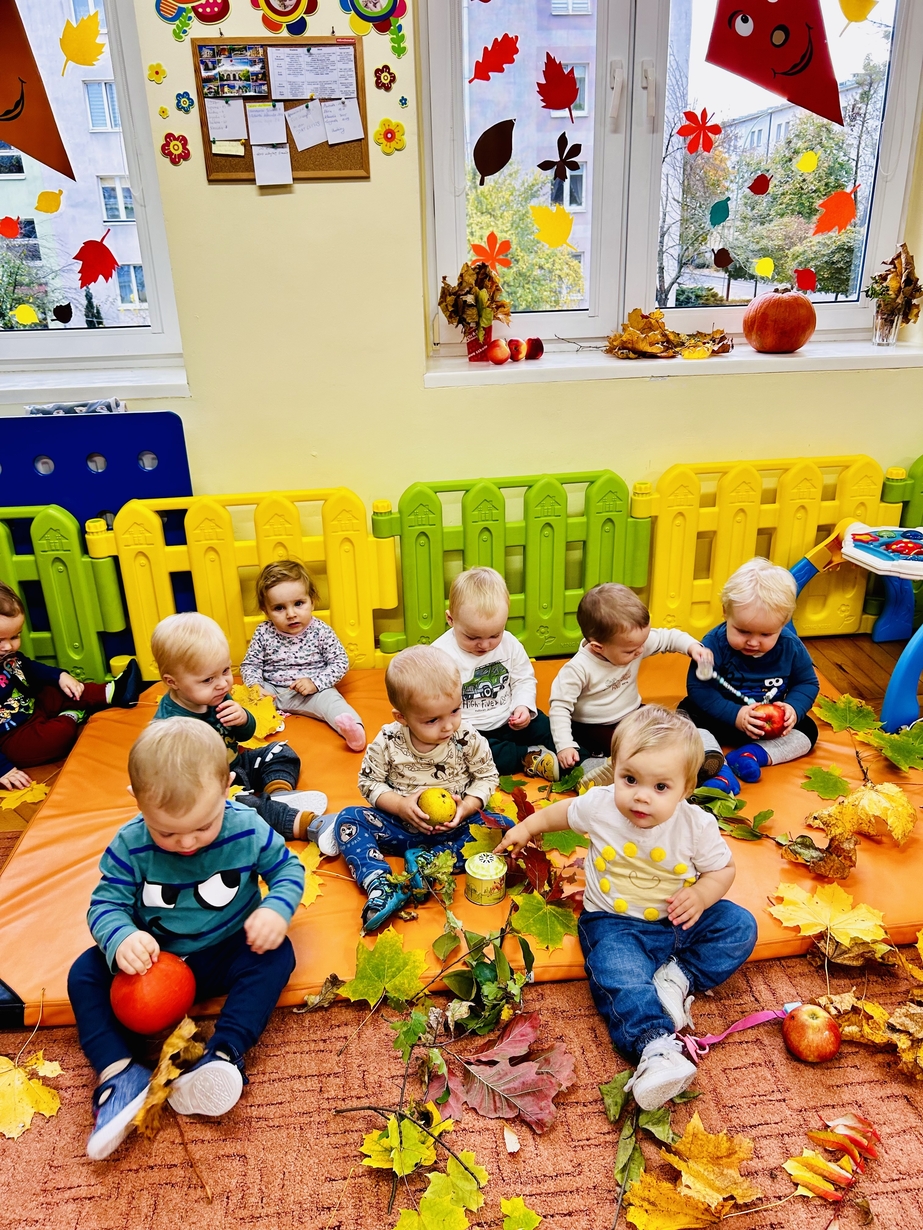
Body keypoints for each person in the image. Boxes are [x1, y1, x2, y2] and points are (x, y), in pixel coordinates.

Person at [496, 706, 757, 1109]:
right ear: (614, 769)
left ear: (686, 788)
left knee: (739, 925)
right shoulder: (600, 806)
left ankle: (677, 977)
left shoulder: (696, 826)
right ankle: (656, 1047)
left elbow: (723, 869)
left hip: (676, 920)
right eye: (630, 779)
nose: (641, 796)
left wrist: (703, 895)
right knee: (615, 971)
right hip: (613, 924)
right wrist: (527, 827)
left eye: (661, 787)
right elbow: (562, 812)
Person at [67, 719, 305, 1160]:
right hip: (154, 961)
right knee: (84, 973)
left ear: (227, 786)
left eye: (203, 826)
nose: (187, 842)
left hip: (227, 948)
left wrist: (276, 908)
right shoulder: (129, 844)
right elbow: (105, 904)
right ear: (137, 800)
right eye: (167, 833)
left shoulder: (247, 827)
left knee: (278, 955)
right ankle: (119, 1073)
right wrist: (122, 938)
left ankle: (224, 1054)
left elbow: (288, 869)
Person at [335, 644, 501, 932]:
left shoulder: (467, 738)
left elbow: (487, 777)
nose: (448, 726)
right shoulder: (388, 742)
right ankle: (380, 884)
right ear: (402, 717)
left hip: (456, 829)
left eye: (455, 710)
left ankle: (429, 864)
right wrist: (400, 806)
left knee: (502, 827)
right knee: (348, 820)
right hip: (400, 828)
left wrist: (467, 807)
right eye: (432, 720)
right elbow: (368, 782)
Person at [151, 612, 324, 842]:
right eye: (208, 679)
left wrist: (243, 719)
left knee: (280, 752)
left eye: (225, 671)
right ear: (173, 682)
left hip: (237, 764)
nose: (223, 684)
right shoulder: (168, 726)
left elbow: (244, 735)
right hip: (212, 791)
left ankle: (279, 793)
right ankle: (300, 823)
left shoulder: (218, 695)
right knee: (240, 809)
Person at [548, 583, 723, 787]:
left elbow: (668, 637)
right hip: (595, 727)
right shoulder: (578, 669)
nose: (640, 651)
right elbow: (559, 708)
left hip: (632, 713)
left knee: (672, 724)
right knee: (636, 746)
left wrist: (694, 648)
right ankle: (596, 769)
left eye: (643, 643)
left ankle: (702, 750)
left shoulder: (632, 643)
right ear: (598, 647)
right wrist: (565, 745)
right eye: (631, 651)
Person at [680, 558, 820, 795]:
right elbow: (699, 688)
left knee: (808, 730)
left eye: (766, 634)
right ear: (726, 613)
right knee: (684, 721)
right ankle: (718, 770)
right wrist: (735, 715)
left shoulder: (790, 647)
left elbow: (807, 682)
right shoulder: (713, 644)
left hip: (766, 728)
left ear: (783, 623)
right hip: (717, 718)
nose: (753, 642)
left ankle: (752, 755)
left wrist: (793, 709)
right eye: (743, 631)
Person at [0, 581, 142, 788]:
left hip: (31, 705)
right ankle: (71, 715)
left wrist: (60, 676)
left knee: (56, 690)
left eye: (15, 636)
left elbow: (29, 667)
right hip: (13, 737)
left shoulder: (7, 655)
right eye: (0, 640)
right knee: (55, 737)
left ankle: (112, 692)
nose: (8, 646)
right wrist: (3, 768)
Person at [433, 567, 560, 782]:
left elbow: (523, 679)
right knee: (474, 756)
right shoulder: (439, 655)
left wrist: (523, 707)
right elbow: (432, 700)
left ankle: (584, 760)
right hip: (471, 730)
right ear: (451, 619)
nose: (484, 645)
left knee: (552, 728)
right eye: (472, 637)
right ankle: (527, 756)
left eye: (494, 635)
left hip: (510, 718)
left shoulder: (509, 644)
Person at [241, 559, 365, 752]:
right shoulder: (263, 632)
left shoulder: (321, 631)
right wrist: (256, 686)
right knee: (245, 705)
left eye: (299, 603)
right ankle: (238, 734)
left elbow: (340, 662)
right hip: (271, 692)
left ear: (312, 602)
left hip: (311, 693)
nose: (291, 614)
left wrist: (315, 683)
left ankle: (353, 731)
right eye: (279, 608)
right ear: (266, 611)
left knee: (333, 703)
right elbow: (250, 665)